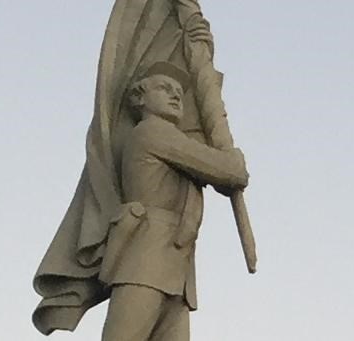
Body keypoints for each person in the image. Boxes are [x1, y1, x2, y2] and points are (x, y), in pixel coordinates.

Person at [98, 61, 249, 341]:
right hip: (146, 260)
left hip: (175, 267)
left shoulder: (174, 139)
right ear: (140, 98)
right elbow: (228, 172)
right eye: (164, 88)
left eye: (179, 90)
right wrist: (233, 163)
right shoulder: (152, 131)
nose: (176, 94)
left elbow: (221, 178)